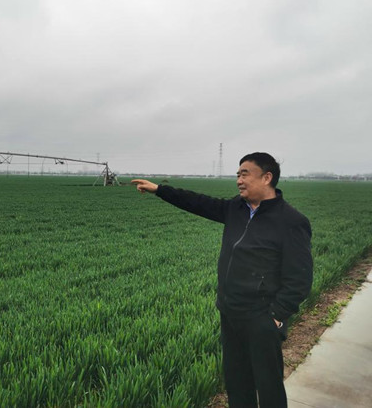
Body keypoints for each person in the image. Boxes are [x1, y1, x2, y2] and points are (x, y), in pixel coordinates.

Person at [131, 152, 313, 408]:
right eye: (237, 175)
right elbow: (198, 202)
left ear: (267, 177)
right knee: (237, 382)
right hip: (230, 312)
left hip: (262, 318)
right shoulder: (235, 209)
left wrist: (276, 315)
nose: (239, 180)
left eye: (245, 174)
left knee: (268, 386)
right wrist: (160, 190)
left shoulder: (291, 221)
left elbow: (300, 277)